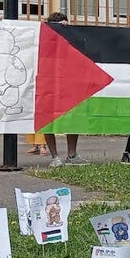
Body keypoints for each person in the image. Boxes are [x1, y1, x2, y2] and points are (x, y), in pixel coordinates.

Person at [40, 12, 88, 168]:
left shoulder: (71, 38)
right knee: (47, 119)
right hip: (48, 81)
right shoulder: (44, 37)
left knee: (72, 116)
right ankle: (54, 156)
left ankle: (72, 154)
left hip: (68, 81)